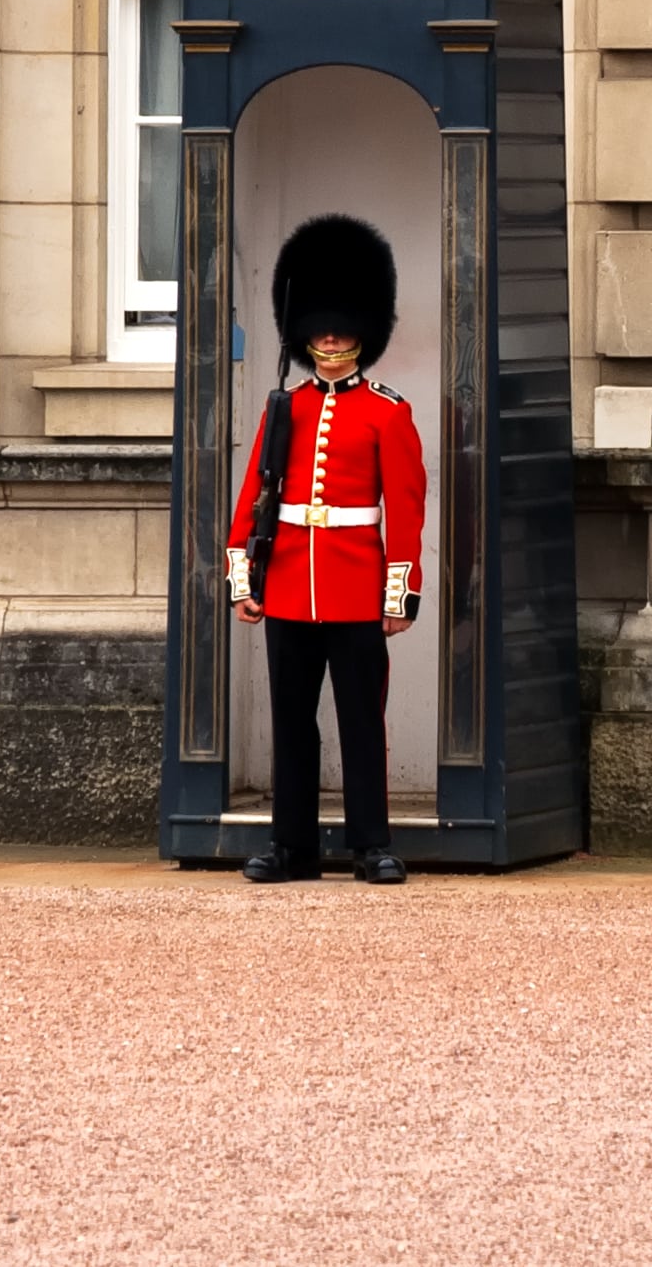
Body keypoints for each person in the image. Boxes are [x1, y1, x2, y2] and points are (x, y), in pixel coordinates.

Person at [228, 213, 425, 886]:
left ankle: (371, 844)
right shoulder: (284, 408)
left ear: (363, 330)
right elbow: (256, 495)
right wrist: (243, 578)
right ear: (303, 330)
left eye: (341, 325)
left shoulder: (387, 412)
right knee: (292, 724)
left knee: (360, 723)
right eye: (320, 324)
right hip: (287, 583)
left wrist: (398, 593)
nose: (331, 335)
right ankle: (294, 847)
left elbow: (404, 508)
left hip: (355, 585)